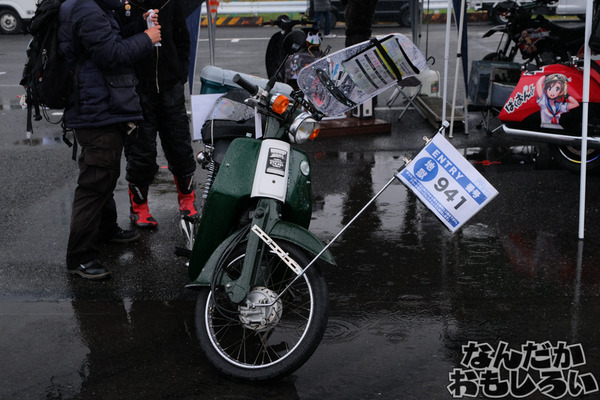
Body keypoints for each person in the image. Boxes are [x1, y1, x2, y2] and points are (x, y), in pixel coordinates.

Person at [59, 0, 162, 279]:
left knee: (104, 173)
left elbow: (108, 41)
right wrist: (146, 38)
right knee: (95, 180)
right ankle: (79, 257)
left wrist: (139, 24)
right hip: (95, 108)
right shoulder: (86, 8)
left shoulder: (94, 7)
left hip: (101, 105)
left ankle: (105, 231)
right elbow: (110, 54)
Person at [117, 0, 197, 229]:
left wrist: (179, 74)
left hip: (171, 89)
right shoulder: (125, 6)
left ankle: (187, 201)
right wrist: (139, 27)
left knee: (180, 147)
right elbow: (118, 40)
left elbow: (183, 41)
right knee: (141, 153)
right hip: (138, 92)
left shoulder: (172, 3)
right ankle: (139, 209)